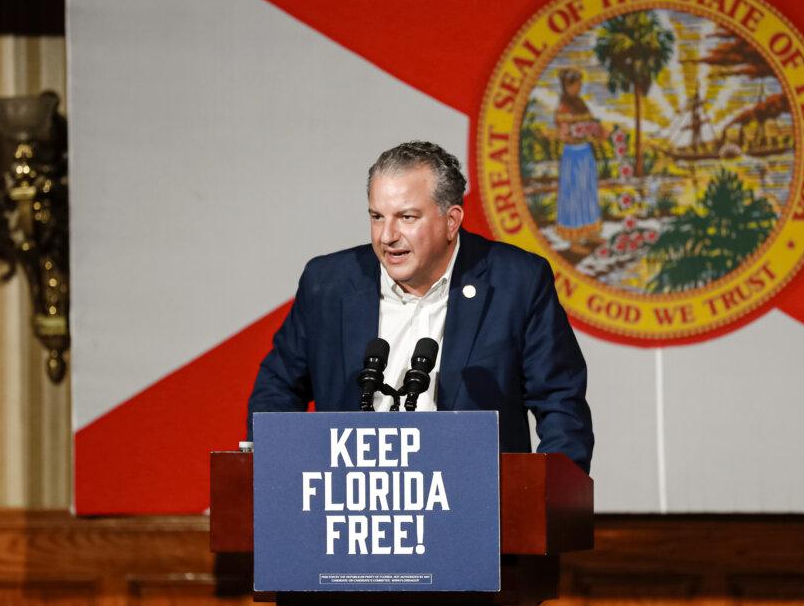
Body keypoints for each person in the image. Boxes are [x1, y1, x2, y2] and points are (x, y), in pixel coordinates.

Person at [248, 141, 593, 471]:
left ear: (451, 220)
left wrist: (542, 502)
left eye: (407, 217)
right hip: (354, 506)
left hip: (474, 505)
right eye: (377, 216)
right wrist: (277, 476)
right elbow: (277, 388)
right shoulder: (328, 283)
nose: (387, 236)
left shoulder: (516, 282)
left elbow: (560, 403)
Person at [555, 68, 603, 251]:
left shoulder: (580, 103)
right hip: (573, 155)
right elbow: (563, 134)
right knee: (574, 195)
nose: (578, 88)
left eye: (579, 85)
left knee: (588, 191)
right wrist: (574, 133)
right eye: (575, 85)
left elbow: (591, 124)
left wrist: (595, 130)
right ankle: (574, 241)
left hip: (585, 153)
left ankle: (590, 232)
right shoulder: (563, 107)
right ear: (567, 86)